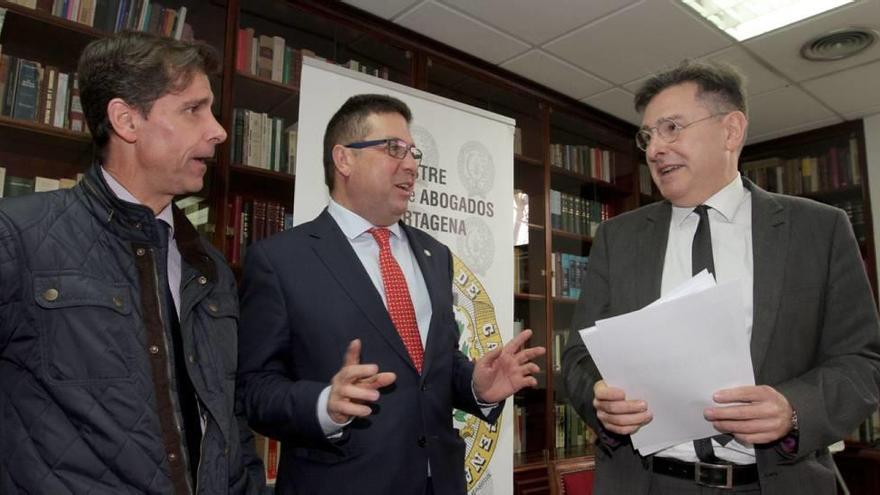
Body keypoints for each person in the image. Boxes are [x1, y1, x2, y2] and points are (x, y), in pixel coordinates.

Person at [562, 61, 880, 494]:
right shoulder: (619, 238)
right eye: (648, 136)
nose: (655, 148)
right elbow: (579, 356)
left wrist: (793, 409)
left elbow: (862, 361)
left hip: (775, 483)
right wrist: (600, 400)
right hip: (648, 484)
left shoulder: (819, 230)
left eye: (672, 128)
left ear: (731, 130)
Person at [237, 93, 545, 495]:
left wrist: (476, 387)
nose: (412, 164)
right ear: (344, 159)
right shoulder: (280, 259)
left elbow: (432, 366)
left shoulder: (435, 255)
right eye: (393, 149)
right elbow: (253, 388)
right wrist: (324, 404)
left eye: (413, 151)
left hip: (442, 482)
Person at [0, 31, 266, 494]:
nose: (219, 130)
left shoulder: (212, 268)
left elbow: (230, 421)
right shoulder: (16, 237)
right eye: (193, 109)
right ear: (126, 120)